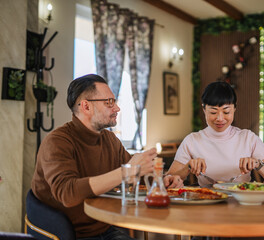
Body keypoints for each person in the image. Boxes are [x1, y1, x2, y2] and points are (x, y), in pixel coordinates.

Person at [31, 74, 183, 240]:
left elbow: (136, 173)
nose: (117, 108)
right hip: (69, 234)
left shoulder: (110, 140)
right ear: (86, 107)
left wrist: (162, 180)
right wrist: (127, 172)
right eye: (109, 102)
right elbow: (67, 193)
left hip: (107, 227)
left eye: (115, 101)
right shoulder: (57, 142)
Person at [167, 81, 264, 186]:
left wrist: (258, 164)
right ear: (204, 109)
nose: (220, 118)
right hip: (205, 202)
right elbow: (168, 179)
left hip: (243, 204)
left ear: (234, 108)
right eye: (213, 112)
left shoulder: (248, 138)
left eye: (226, 111)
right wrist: (188, 167)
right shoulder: (192, 140)